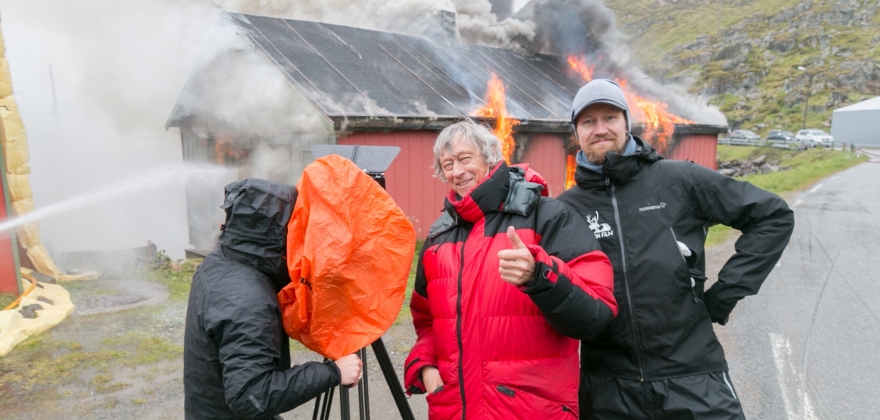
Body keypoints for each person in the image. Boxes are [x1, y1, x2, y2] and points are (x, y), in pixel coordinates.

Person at [557, 79, 795, 419]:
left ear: (626, 122)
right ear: (576, 132)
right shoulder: (565, 209)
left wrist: (723, 294)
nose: (600, 129)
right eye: (588, 122)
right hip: (608, 388)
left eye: (609, 117)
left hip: (694, 378)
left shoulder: (679, 180)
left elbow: (773, 216)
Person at [403, 120, 618, 419]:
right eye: (447, 164)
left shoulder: (547, 217)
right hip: (453, 409)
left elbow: (597, 314)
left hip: (531, 411)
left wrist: (540, 275)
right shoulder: (437, 239)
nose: (457, 171)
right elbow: (427, 321)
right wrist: (425, 364)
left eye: (465, 158)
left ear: (490, 157)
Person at [184, 178, 362, 419]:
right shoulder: (248, 301)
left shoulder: (221, 262)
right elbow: (251, 395)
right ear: (278, 236)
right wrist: (333, 372)